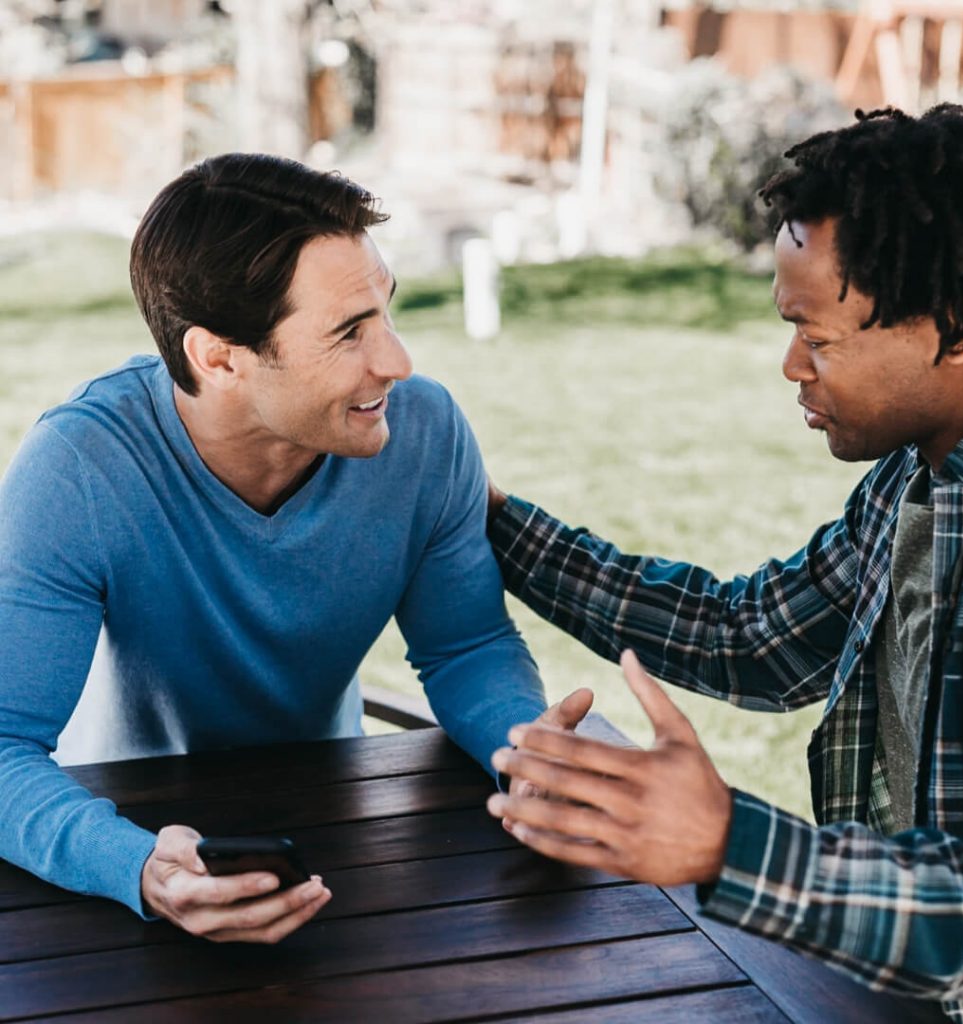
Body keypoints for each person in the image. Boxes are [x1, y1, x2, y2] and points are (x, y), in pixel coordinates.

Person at [484, 104, 963, 1021]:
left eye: (818, 339)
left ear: (960, 329)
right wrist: (495, 523)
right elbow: (753, 637)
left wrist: (731, 843)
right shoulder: (921, 478)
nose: (790, 366)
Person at [0, 153, 590, 944]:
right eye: (349, 332)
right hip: (127, 841)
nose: (398, 362)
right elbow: (4, 748)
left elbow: (467, 645)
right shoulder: (78, 469)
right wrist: (137, 866)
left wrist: (521, 749)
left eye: (386, 310)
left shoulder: (426, 431)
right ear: (219, 358)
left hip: (342, 835)